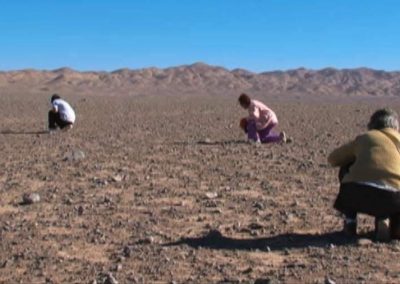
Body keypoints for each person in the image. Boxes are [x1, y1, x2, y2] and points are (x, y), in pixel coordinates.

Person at [328, 108, 400, 241]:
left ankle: (350, 222)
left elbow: (333, 159)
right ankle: (391, 225)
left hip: (357, 195)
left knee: (347, 165)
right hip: (393, 200)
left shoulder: (365, 138)